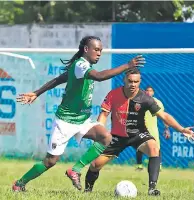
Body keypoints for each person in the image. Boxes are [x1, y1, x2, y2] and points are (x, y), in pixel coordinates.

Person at [12, 36, 145, 191]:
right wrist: (127, 65)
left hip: (82, 120)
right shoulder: (81, 64)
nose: (99, 53)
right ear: (86, 49)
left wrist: (36, 93)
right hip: (65, 122)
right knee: (50, 161)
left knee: (106, 137)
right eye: (96, 49)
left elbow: (59, 79)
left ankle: (75, 170)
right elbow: (100, 77)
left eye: (101, 50)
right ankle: (19, 184)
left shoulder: (82, 65)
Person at [84, 68, 194, 196]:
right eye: (130, 81)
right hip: (117, 136)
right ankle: (87, 191)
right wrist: (100, 132)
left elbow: (163, 115)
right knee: (95, 164)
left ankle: (152, 189)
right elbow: (104, 114)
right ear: (124, 80)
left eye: (136, 81)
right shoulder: (113, 94)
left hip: (138, 134)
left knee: (154, 148)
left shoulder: (145, 98)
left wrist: (181, 129)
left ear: (140, 81)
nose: (133, 84)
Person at [135, 85, 170, 171]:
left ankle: (159, 166)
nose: (149, 92)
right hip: (141, 128)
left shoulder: (158, 103)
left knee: (157, 147)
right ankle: (139, 166)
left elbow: (163, 116)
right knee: (139, 147)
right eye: (147, 90)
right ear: (144, 91)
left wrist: (166, 129)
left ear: (153, 92)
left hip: (153, 129)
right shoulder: (139, 101)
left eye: (151, 91)